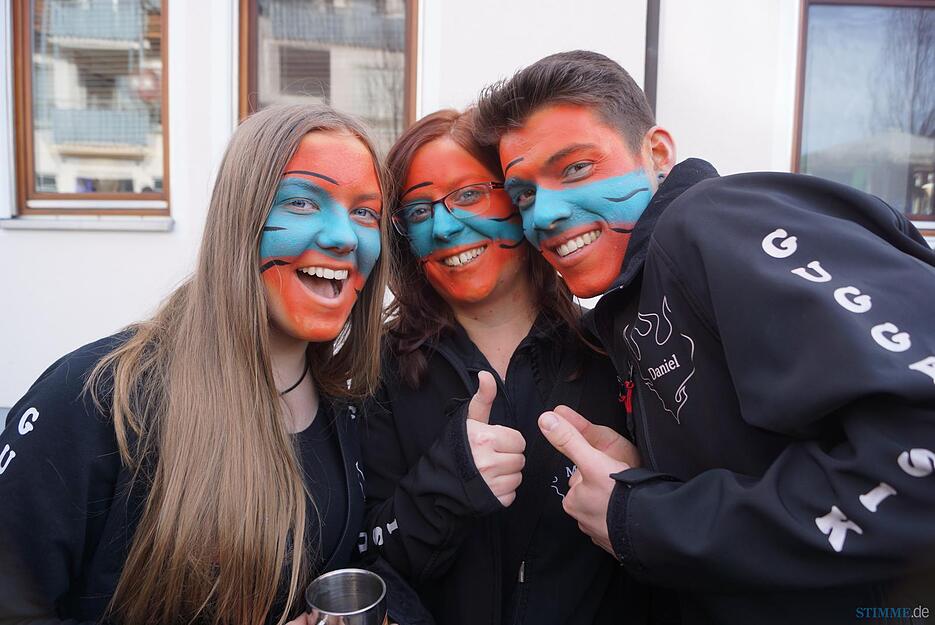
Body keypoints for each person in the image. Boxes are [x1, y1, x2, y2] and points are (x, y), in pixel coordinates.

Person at [473, 51, 935, 623]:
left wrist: (641, 519)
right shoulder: (631, 304)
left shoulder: (711, 220)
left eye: (576, 169)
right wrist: (649, 479)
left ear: (657, 153)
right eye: (523, 195)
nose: (543, 215)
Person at [0, 104, 388, 625]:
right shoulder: (97, 397)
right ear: (239, 218)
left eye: (365, 213)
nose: (344, 237)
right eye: (301, 202)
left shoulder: (347, 405)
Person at [358, 109, 646, 625]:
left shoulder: (612, 350)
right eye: (419, 211)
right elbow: (370, 562)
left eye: (470, 194)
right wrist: (447, 482)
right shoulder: (379, 370)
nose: (444, 227)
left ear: (519, 200)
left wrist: (638, 498)